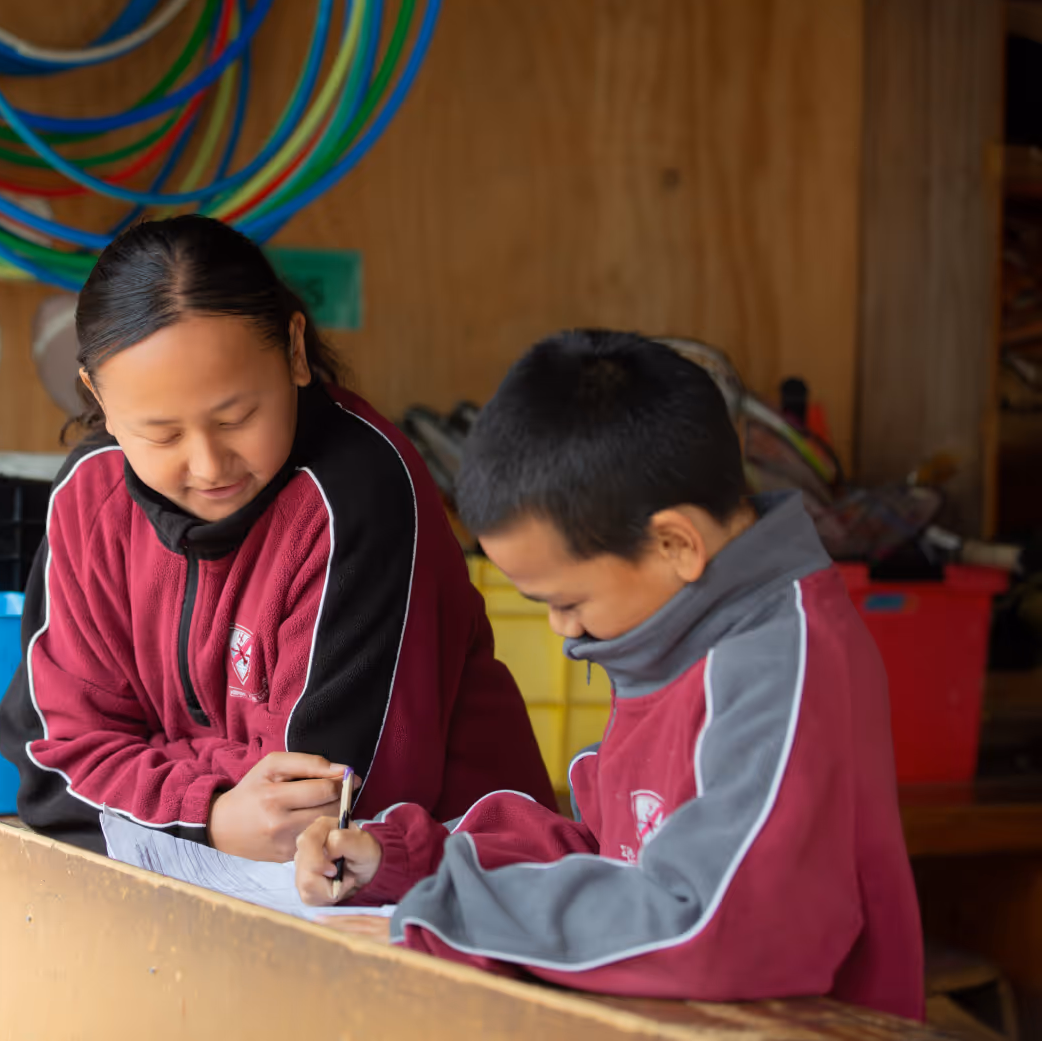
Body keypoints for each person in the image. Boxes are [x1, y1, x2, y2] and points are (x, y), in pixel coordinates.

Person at [294, 330, 923, 1020]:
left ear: (675, 542)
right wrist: (408, 861)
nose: (563, 631)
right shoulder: (669, 628)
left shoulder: (781, 660)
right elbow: (610, 854)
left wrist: (461, 915)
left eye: (570, 601)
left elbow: (713, 925)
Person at [0, 215, 553, 860]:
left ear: (294, 350)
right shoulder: (89, 498)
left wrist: (152, 766)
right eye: (163, 434)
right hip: (212, 882)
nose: (208, 466)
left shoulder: (357, 493)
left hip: (454, 888)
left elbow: (320, 809)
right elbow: (51, 769)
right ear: (97, 395)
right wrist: (210, 813)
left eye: (237, 417)